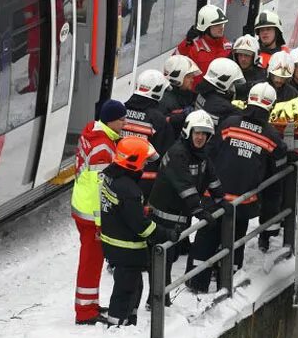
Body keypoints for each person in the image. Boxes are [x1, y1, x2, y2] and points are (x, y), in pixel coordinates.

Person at [187, 83, 288, 291]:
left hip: (214, 197)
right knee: (234, 243)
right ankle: (227, 281)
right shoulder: (273, 138)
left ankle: (196, 282)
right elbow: (274, 183)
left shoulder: (228, 124)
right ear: (271, 106)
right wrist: (269, 221)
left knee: (205, 238)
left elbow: (209, 154)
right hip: (242, 204)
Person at [100, 137, 178, 326]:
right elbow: (142, 226)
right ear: (132, 162)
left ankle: (129, 321)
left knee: (133, 286)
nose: (145, 165)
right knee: (126, 290)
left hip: (114, 244)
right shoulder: (129, 189)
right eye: (143, 161)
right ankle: (117, 326)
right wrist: (167, 234)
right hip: (127, 249)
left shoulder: (111, 177)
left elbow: (122, 211)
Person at [147, 110, 223, 305]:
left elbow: (211, 177)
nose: (200, 137)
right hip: (164, 216)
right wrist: (199, 211)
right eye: (197, 132)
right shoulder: (177, 153)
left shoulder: (200, 154)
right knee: (162, 259)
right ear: (189, 132)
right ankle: (157, 301)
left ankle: (160, 299)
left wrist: (222, 200)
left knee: (168, 258)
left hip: (178, 215)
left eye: (204, 134)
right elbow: (184, 186)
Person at [71, 99, 126, 325]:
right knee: (91, 262)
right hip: (92, 214)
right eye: (121, 119)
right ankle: (85, 312)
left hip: (82, 207)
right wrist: (101, 221)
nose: (124, 123)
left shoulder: (94, 134)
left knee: (91, 261)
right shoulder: (103, 147)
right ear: (111, 120)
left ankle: (90, 304)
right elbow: (98, 188)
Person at [122, 70, 174, 198]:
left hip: (118, 177)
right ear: (158, 92)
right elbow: (166, 155)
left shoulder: (121, 111)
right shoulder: (158, 120)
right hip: (145, 183)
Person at [176, 5, 232, 87]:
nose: (221, 28)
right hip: (196, 96)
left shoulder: (228, 47)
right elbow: (174, 64)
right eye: (217, 25)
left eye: (222, 24)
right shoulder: (194, 47)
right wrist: (187, 43)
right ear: (206, 27)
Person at [193, 58, 245, 129]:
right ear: (223, 81)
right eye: (232, 83)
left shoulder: (202, 92)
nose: (233, 87)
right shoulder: (226, 108)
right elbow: (243, 118)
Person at [160, 55, 201, 136]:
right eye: (189, 77)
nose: (192, 80)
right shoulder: (165, 101)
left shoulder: (190, 95)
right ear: (177, 78)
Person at [231, 35, 265, 101]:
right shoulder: (230, 71)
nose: (243, 59)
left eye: (247, 55)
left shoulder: (262, 75)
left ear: (254, 57)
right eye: (240, 55)